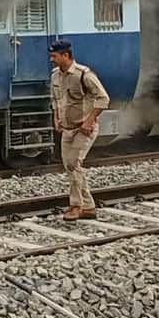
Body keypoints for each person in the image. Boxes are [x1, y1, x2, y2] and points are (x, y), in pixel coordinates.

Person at [48, 40, 110, 221]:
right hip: (67, 129)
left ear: (65, 55)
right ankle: (89, 207)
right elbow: (55, 99)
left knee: (74, 164)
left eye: (54, 56)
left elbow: (103, 98)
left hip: (83, 129)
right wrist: (56, 117)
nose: (52, 59)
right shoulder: (55, 76)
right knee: (70, 166)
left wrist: (89, 121)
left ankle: (76, 206)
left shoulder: (84, 75)